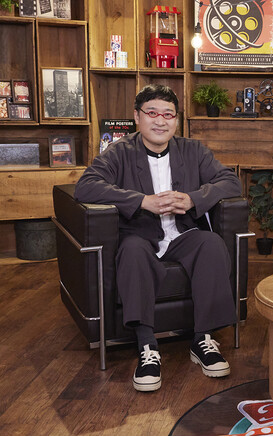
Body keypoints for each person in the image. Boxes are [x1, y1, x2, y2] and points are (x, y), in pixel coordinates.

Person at [75, 84, 242, 392]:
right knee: (133, 252)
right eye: (152, 113)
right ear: (137, 117)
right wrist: (141, 201)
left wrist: (193, 199)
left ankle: (202, 339)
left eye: (168, 114)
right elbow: (86, 186)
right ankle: (147, 347)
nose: (160, 121)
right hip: (140, 234)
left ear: (176, 120)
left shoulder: (193, 150)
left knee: (212, 244)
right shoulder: (119, 152)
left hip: (182, 233)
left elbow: (230, 181)